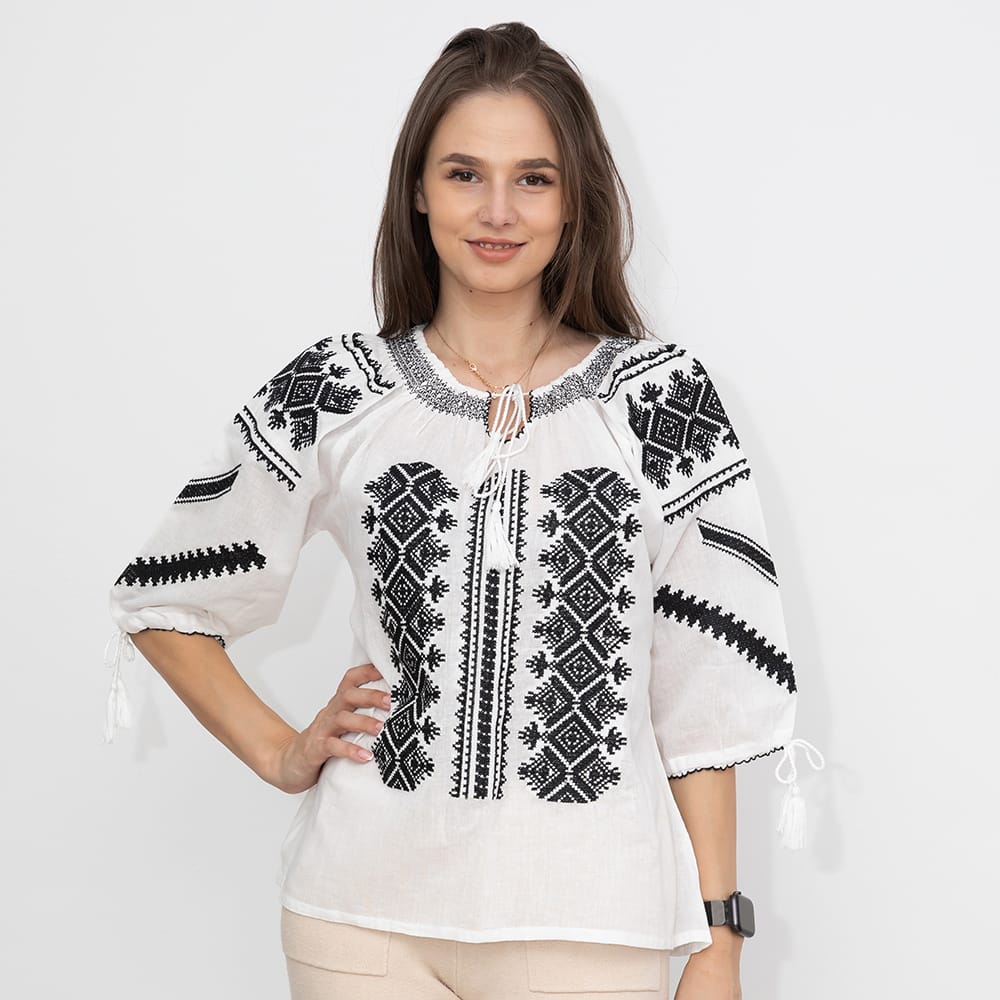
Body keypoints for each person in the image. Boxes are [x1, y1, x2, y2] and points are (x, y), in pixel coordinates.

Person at [103, 21, 822, 1000]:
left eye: (533, 178)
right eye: (463, 174)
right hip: (356, 916)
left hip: (588, 921)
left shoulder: (661, 399)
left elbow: (704, 696)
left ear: (575, 199)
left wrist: (720, 939)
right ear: (418, 189)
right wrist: (280, 751)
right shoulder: (340, 389)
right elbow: (166, 597)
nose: (497, 210)